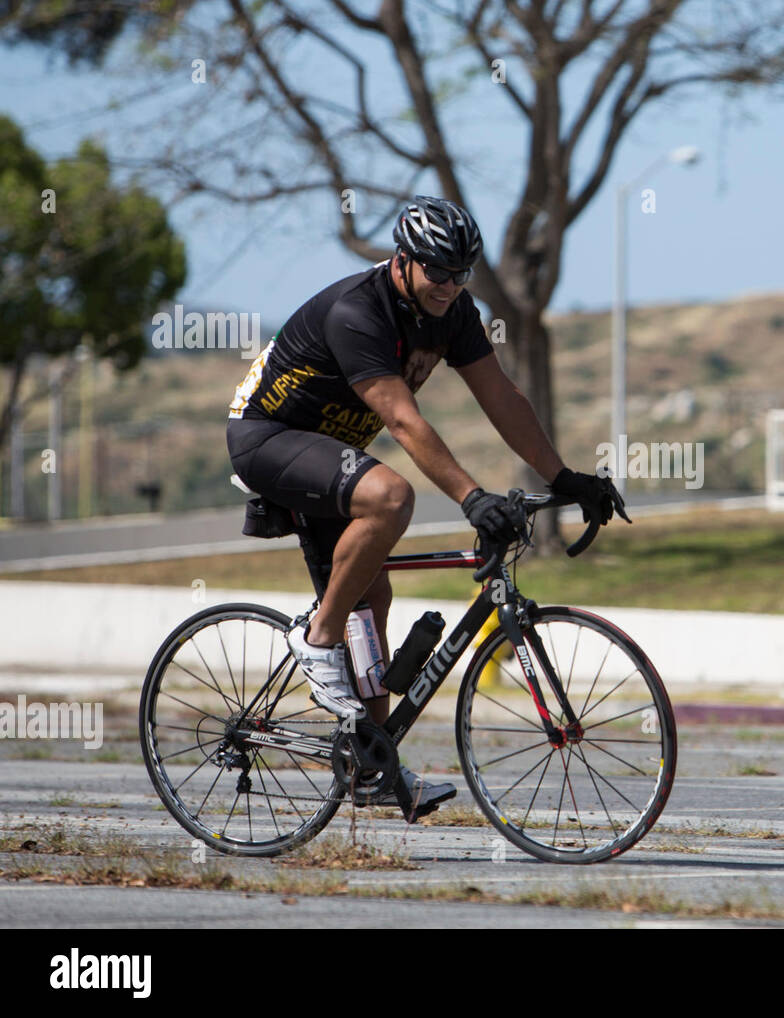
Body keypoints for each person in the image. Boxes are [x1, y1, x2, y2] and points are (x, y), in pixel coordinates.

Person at [226, 195, 625, 809]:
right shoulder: (359, 313)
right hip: (267, 439)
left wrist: (564, 475)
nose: (449, 285)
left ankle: (370, 767)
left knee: (373, 597)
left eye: (462, 273)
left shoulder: (453, 310)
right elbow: (405, 423)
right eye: (438, 271)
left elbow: (500, 395)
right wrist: (470, 498)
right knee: (391, 496)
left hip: (330, 450)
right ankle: (316, 639)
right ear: (402, 260)